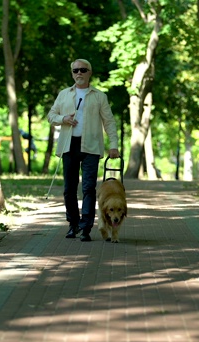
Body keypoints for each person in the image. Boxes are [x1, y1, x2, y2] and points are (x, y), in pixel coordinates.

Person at [48, 59, 120, 242]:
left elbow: (109, 121)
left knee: (88, 188)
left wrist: (114, 145)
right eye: (75, 70)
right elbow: (51, 116)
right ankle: (73, 224)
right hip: (69, 145)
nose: (79, 73)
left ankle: (86, 227)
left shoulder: (99, 96)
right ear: (72, 73)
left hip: (91, 147)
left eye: (83, 70)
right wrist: (63, 118)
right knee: (69, 189)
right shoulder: (64, 94)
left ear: (90, 72)